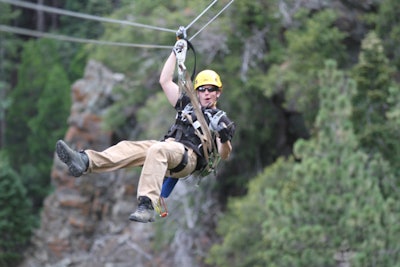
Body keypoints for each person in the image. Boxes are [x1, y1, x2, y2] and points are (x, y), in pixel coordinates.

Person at [55, 36, 235, 223]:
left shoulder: (220, 119)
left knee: (158, 150)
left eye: (211, 90)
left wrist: (224, 138)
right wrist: (175, 52)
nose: (207, 93)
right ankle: (85, 161)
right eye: (203, 89)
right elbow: (165, 81)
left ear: (218, 92)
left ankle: (147, 205)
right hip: (169, 148)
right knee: (129, 147)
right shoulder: (187, 105)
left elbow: (224, 154)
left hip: (188, 157)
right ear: (197, 91)